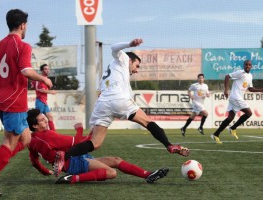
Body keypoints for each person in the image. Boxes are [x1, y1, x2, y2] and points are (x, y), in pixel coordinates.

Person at [61, 38, 189, 172]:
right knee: (148, 122)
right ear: (130, 60)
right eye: (137, 66)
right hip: (118, 100)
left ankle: (65, 156)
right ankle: (169, 145)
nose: (136, 70)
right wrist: (130, 44)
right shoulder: (122, 59)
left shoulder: (111, 73)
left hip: (102, 104)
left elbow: (106, 90)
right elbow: (114, 48)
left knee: (95, 143)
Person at [0, 9, 53, 196]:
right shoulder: (23, 46)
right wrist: (44, 79)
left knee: (26, 138)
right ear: (23, 25)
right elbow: (26, 71)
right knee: (10, 142)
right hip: (14, 103)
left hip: (1, 102)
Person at [25, 109, 169, 184]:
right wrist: (80, 129)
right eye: (42, 120)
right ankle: (72, 179)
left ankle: (147, 175)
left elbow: (34, 161)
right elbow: (79, 142)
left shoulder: (31, 140)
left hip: (71, 159)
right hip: (73, 161)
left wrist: (45, 172)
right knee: (112, 173)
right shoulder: (48, 136)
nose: (46, 121)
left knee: (115, 160)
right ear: (35, 125)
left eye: (45, 118)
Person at [211, 60, 263, 144]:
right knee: (249, 113)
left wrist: (260, 90)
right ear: (244, 65)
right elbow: (227, 76)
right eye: (246, 64)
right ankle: (233, 128)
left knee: (230, 118)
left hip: (236, 98)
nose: (248, 66)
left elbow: (250, 88)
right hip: (235, 97)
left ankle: (216, 134)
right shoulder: (240, 72)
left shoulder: (250, 76)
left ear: (251, 66)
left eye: (249, 65)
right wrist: (226, 90)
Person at [32, 64, 57, 131]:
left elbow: (48, 86)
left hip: (44, 101)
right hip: (40, 101)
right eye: (45, 69)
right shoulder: (39, 79)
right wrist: (51, 92)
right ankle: (33, 135)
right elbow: (39, 89)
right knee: (37, 120)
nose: (47, 70)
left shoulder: (46, 80)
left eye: (48, 69)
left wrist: (49, 84)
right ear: (42, 71)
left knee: (50, 117)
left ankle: (53, 134)